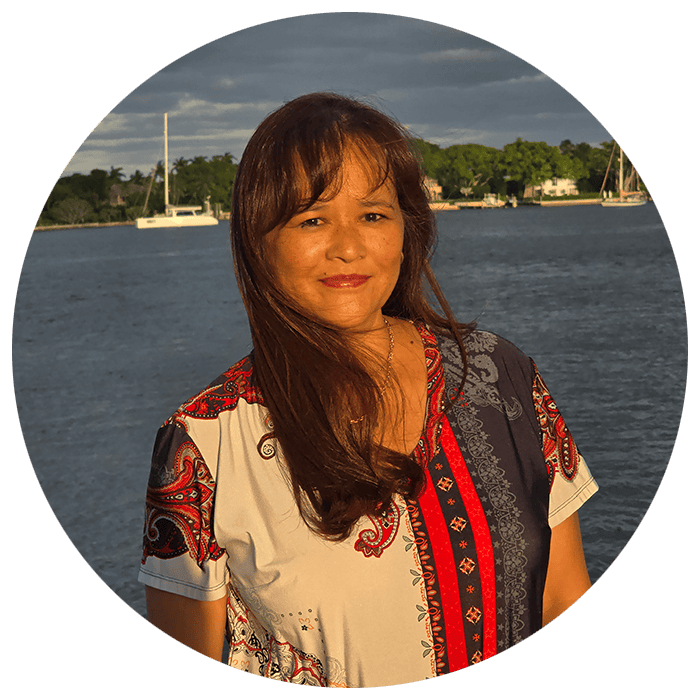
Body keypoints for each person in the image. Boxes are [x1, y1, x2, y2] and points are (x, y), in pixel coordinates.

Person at [139, 93, 598, 687]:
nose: (348, 246)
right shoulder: (204, 444)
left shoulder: (499, 376)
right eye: (312, 219)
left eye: (374, 215)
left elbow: (565, 597)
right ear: (259, 241)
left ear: (409, 229)